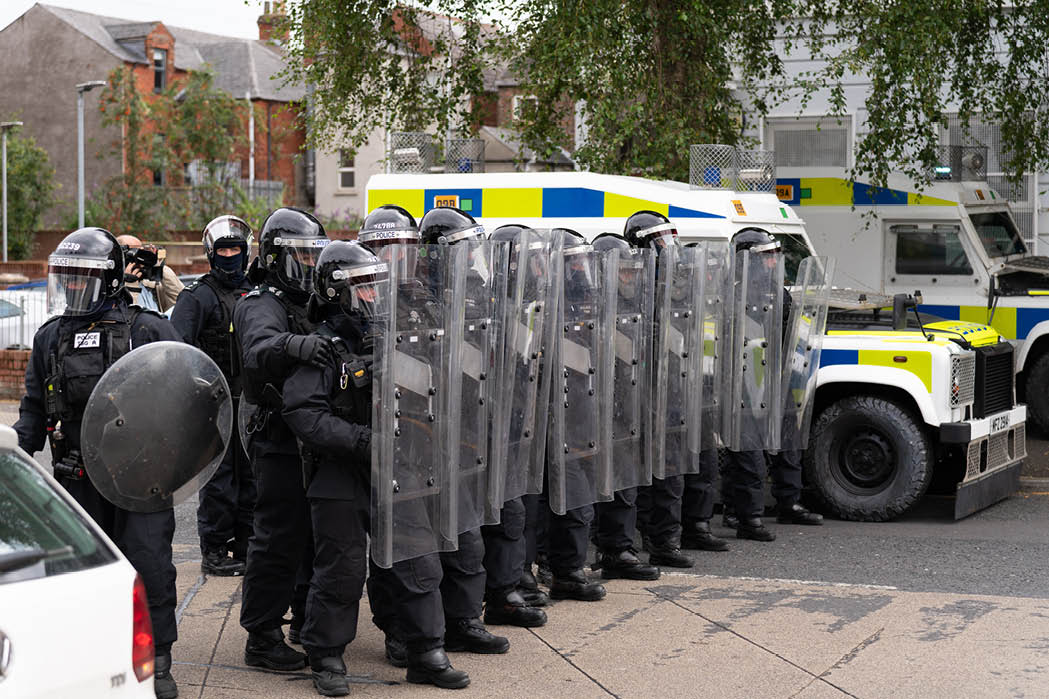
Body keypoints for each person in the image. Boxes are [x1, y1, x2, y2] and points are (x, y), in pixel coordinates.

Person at [14, 227, 182, 699]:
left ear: (109, 279)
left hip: (141, 480)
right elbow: (31, 408)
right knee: (81, 574)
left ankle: (159, 659)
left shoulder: (147, 330)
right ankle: (90, 656)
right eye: (66, 278)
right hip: (76, 481)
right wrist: (13, 460)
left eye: (83, 277)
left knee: (149, 566)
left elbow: (185, 394)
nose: (73, 287)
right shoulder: (50, 337)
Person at [362, 205, 508, 671]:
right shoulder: (360, 298)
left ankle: (462, 619)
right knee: (401, 544)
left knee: (464, 535)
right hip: (395, 439)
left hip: (442, 436)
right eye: (386, 250)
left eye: (402, 250)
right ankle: (400, 632)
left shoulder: (429, 297)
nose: (395, 260)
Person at [282, 241, 386, 696]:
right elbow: (304, 414)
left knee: (411, 559)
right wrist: (362, 441)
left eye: (374, 286)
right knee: (342, 567)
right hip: (340, 468)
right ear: (336, 291)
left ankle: (421, 644)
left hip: (395, 465)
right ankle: (325, 654)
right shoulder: (323, 348)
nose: (371, 296)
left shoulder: (393, 336)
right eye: (361, 288)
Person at [236, 207, 330, 671]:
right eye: (300, 256)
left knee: (312, 535)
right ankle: (262, 635)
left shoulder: (306, 301)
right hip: (276, 438)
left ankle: (303, 621)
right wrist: (298, 345)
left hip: (312, 434)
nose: (309, 265)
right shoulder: (260, 302)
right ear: (276, 257)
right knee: (276, 538)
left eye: (314, 256)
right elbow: (258, 350)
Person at [170, 216, 257, 576]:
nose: (229, 255)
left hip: (252, 402)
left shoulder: (258, 293)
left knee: (253, 477)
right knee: (218, 481)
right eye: (223, 249)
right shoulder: (197, 297)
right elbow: (177, 351)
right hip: (213, 404)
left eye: (235, 248)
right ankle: (216, 549)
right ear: (211, 252)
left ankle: (248, 544)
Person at [481, 224, 550, 626]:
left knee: (516, 510)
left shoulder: (528, 306)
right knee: (498, 515)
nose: (539, 268)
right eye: (532, 260)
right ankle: (499, 592)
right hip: (484, 426)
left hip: (513, 422)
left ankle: (511, 583)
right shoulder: (485, 303)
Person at [588, 232, 660, 581]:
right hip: (593, 410)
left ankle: (619, 548)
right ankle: (600, 549)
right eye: (623, 272)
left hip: (626, 406)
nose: (630, 278)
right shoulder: (588, 308)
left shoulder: (636, 308)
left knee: (625, 483)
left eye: (633, 271)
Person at [623, 211, 693, 569]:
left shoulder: (675, 292)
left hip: (668, 392)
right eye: (663, 243)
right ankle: (628, 542)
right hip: (634, 398)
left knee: (669, 470)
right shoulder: (626, 292)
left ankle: (666, 542)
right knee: (633, 475)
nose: (671, 251)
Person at [116, 234, 184, 312]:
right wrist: (130, 286)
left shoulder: (151, 285)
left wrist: (158, 266)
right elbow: (126, 319)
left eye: (141, 252)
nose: (139, 257)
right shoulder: (112, 287)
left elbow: (182, 300)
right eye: (134, 252)